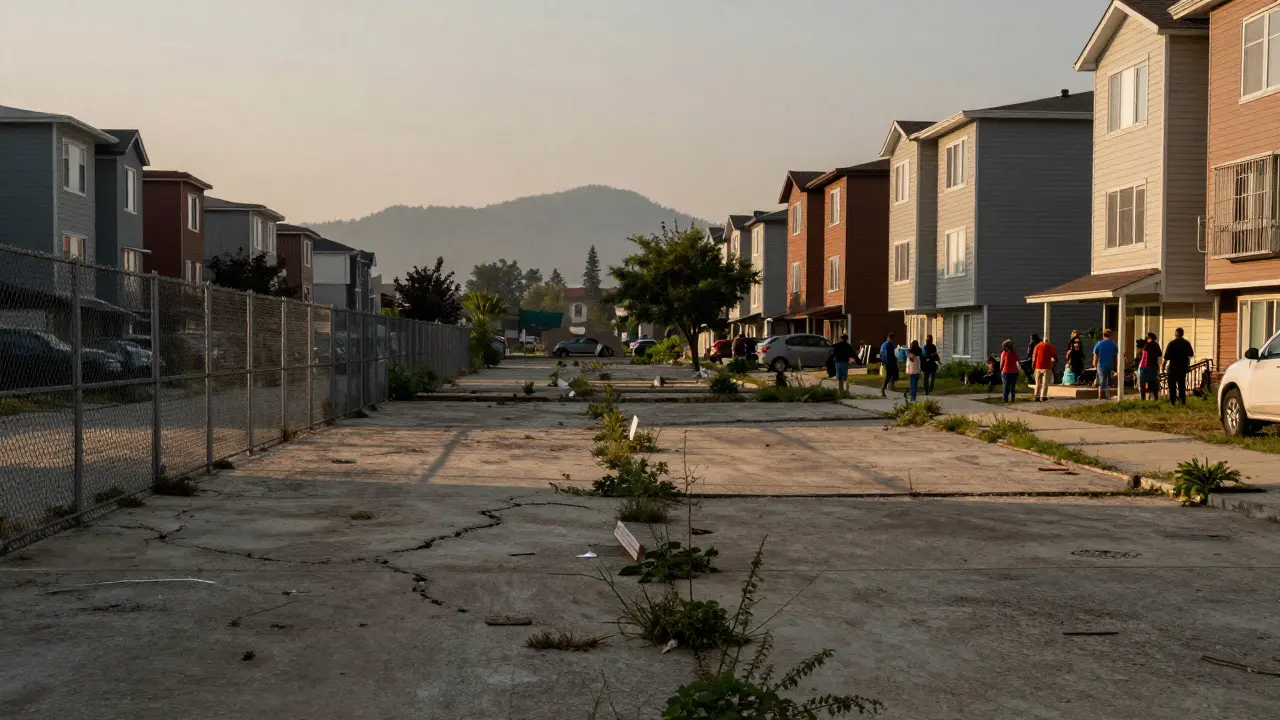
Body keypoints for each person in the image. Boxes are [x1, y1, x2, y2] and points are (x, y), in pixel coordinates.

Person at [1163, 328, 1195, 406]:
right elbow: (1191, 354)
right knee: (1182, 385)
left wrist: (1163, 366)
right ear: (1182, 333)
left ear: (1176, 333)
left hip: (1173, 367)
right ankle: (1183, 402)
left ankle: (1172, 402)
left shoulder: (1172, 343)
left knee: (1172, 386)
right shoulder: (1186, 343)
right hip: (1183, 367)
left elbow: (1166, 357)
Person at [1093, 329, 1119, 400]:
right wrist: (1116, 366)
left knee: (1101, 380)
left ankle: (1100, 396)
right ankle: (1107, 395)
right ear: (1110, 335)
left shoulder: (1099, 344)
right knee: (1108, 380)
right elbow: (1115, 357)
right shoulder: (1114, 345)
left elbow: (1096, 354)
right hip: (1110, 365)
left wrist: (1094, 363)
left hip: (1101, 365)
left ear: (1103, 335)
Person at [1032, 336, 1058, 402]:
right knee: (1045, 383)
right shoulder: (1051, 347)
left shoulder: (1037, 346)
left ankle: (1037, 396)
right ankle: (1043, 396)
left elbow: (1034, 357)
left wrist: (1033, 365)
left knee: (1038, 383)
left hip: (1038, 367)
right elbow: (1054, 357)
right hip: (1047, 367)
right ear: (1048, 341)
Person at [1138, 332, 1162, 401]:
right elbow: (1160, 354)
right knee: (1154, 383)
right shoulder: (1157, 345)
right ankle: (1156, 398)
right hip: (1154, 367)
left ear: (1150, 338)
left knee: (1143, 383)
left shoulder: (1146, 346)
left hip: (1146, 367)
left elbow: (1144, 358)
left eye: (1147, 338)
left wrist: (1141, 367)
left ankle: (1143, 399)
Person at [879, 333, 899, 397]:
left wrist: (883, 361)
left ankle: (889, 386)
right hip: (890, 362)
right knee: (889, 375)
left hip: (885, 362)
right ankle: (884, 388)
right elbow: (891, 354)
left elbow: (881, 353)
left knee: (890, 374)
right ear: (892, 338)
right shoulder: (889, 345)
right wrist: (894, 360)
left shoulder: (884, 344)